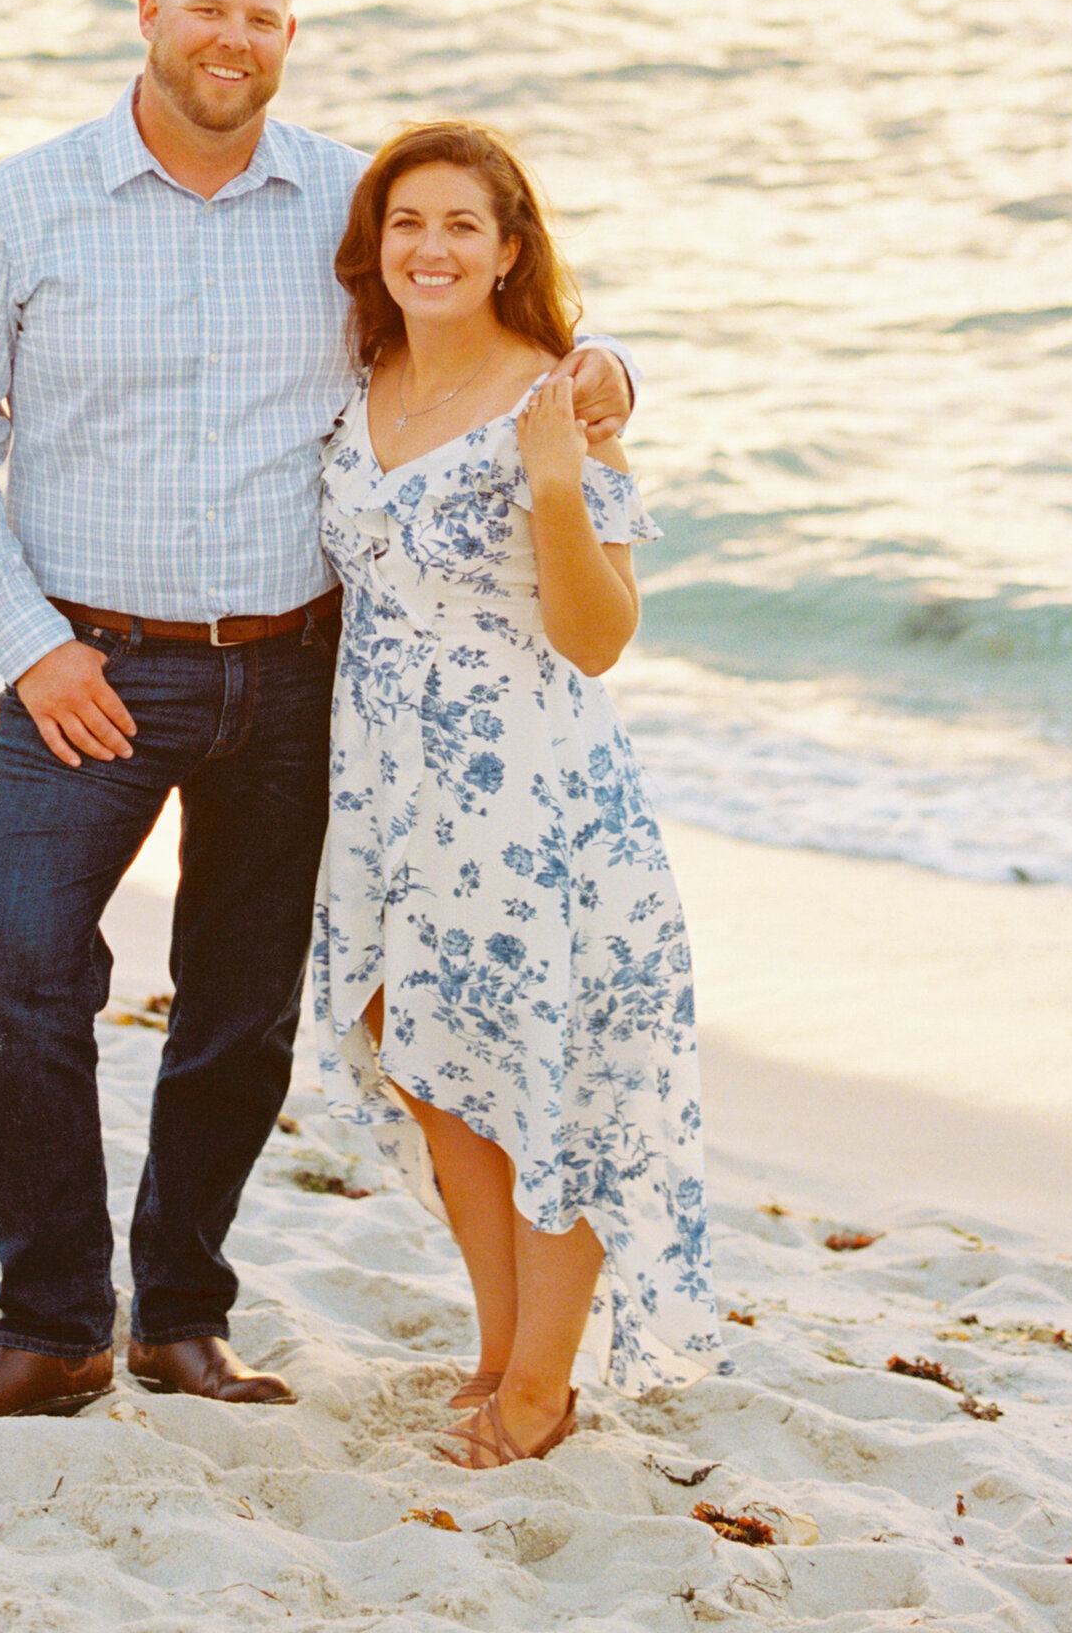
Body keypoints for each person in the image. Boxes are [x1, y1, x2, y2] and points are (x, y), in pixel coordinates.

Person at [0, 0, 632, 1432]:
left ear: (291, 37)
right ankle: (53, 1326)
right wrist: (32, 648)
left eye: (264, 19)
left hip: (300, 679)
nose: (234, 39)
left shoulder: (340, 206)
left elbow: (479, 296)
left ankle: (180, 1321)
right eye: (208, 9)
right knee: (13, 962)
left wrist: (611, 368)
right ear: (150, 14)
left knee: (240, 1011)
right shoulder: (22, 210)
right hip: (86, 669)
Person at [312, 121, 716, 1467]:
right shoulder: (365, 373)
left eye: (461, 227)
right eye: (407, 222)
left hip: (524, 796)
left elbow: (600, 637)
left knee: (543, 1079)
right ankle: (498, 1350)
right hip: (383, 788)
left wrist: (557, 477)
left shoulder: (551, 400)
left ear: (508, 251)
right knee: (436, 1070)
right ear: (376, 243)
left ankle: (541, 1389)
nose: (430, 248)